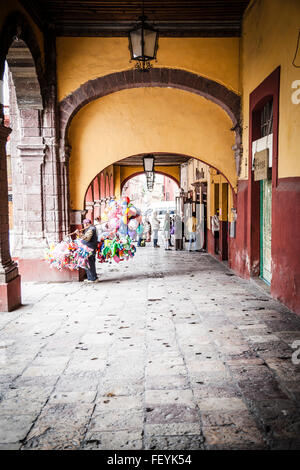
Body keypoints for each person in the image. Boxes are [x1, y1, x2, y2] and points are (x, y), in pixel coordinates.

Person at [77, 218, 99, 283]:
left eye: (86, 223)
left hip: (90, 249)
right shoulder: (90, 229)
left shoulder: (91, 229)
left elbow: (87, 239)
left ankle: (93, 279)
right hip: (89, 248)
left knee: (90, 263)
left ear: (88, 223)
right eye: (84, 224)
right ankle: (91, 278)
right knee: (89, 263)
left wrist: (79, 234)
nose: (85, 225)